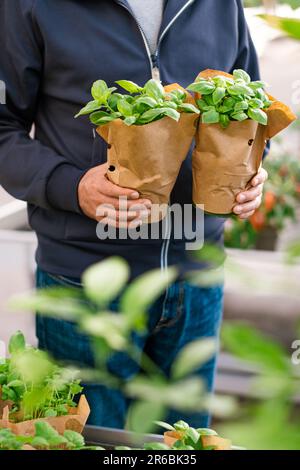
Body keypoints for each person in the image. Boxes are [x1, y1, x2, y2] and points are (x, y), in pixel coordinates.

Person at [0, 0, 268, 428]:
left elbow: (253, 108)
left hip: (196, 280)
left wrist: (250, 171)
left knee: (186, 444)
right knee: (93, 439)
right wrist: (71, 185)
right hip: (85, 282)